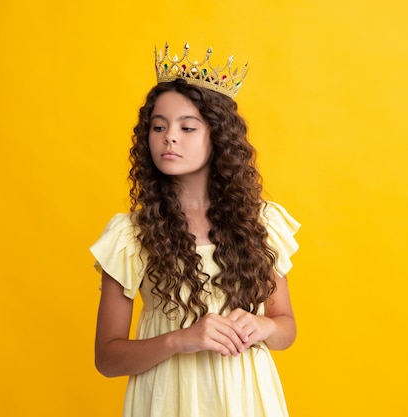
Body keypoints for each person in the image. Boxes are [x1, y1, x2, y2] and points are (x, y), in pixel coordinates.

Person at [90, 42, 300, 417]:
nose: (169, 136)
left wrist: (262, 326)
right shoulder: (130, 236)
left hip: (246, 400)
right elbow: (107, 358)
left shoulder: (260, 224)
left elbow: (286, 327)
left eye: (187, 127)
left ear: (217, 138)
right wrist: (180, 339)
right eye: (159, 126)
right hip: (168, 399)